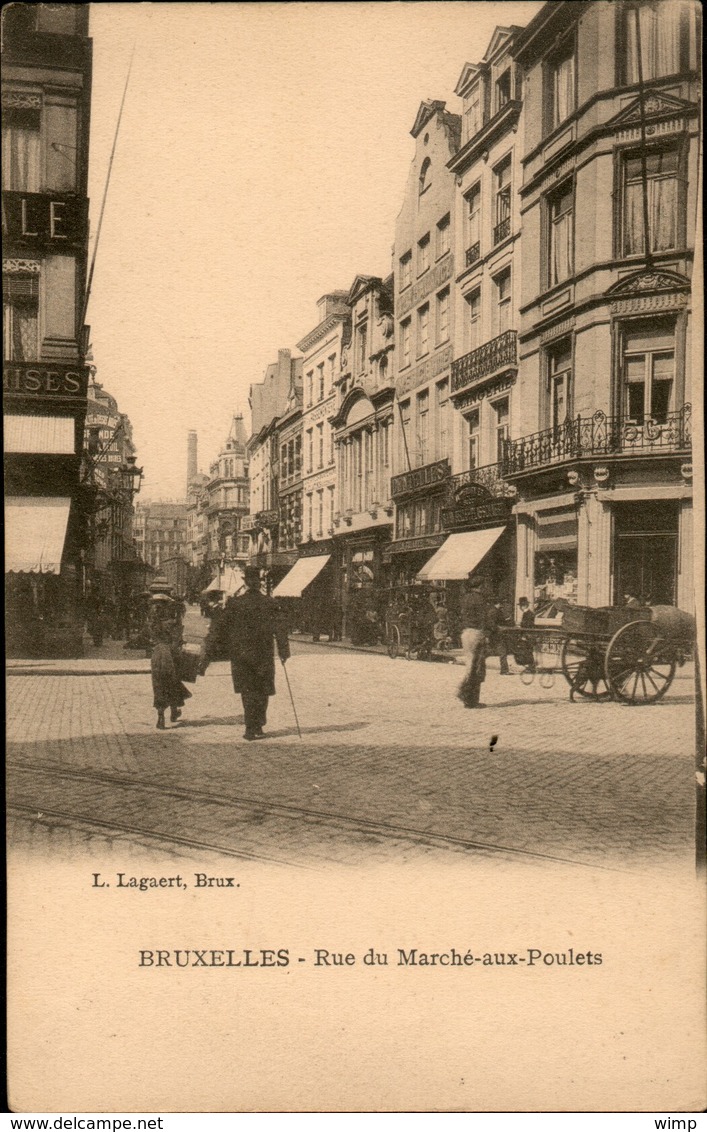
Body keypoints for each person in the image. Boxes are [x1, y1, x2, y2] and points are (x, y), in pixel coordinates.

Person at [202, 565, 290, 741]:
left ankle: (250, 727)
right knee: (263, 689)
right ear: (259, 582)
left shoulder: (235, 603)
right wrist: (283, 650)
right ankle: (258, 723)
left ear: (246, 583)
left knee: (247, 690)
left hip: (241, 654)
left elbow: (220, 627)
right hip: (263, 654)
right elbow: (280, 629)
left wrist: (209, 651)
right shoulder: (270, 603)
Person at [150, 619, 191, 729]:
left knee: (159, 686)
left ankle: (161, 718)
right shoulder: (174, 621)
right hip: (170, 655)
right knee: (173, 682)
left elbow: (147, 638)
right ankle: (173, 712)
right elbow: (177, 640)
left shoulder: (153, 621)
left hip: (157, 656)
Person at [457, 576, 488, 708]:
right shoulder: (480, 599)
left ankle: (466, 695)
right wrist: (486, 633)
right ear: (480, 586)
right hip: (476, 632)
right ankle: (470, 699)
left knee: (470, 664)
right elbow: (483, 618)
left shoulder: (465, 598)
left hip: (466, 633)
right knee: (477, 666)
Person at [486, 599, 511, 675]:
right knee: (502, 652)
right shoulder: (494, 612)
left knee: (490, 652)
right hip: (496, 634)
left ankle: (504, 670)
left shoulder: (496, 611)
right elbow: (491, 624)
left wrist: (506, 620)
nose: (502, 605)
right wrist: (499, 628)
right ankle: (504, 670)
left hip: (495, 634)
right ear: (498, 603)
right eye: (501, 603)